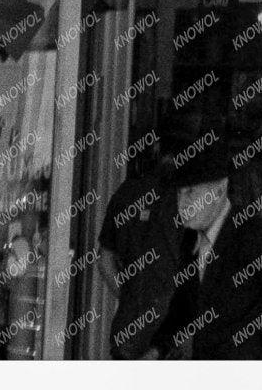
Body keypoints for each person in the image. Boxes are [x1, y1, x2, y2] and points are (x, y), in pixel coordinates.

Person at [150, 121, 262, 361]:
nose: (181, 203)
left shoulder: (254, 234)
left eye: (191, 192)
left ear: (218, 191)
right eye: (179, 193)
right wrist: (156, 351)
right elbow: (183, 310)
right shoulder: (191, 241)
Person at [98, 122, 181, 360]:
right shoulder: (189, 201)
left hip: (129, 327)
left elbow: (104, 261)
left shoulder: (125, 193)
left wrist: (129, 297)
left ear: (155, 150)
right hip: (170, 334)